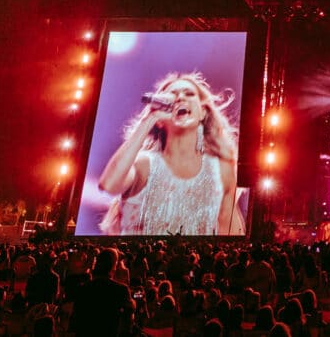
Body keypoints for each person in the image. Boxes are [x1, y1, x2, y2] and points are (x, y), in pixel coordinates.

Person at [98, 72, 241, 236]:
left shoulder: (221, 170)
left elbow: (231, 232)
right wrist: (150, 118)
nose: (180, 98)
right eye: (172, 95)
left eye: (189, 94)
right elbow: (108, 185)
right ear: (160, 119)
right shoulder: (144, 164)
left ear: (202, 113)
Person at [69, 248, 134, 337]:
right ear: (113, 266)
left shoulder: (83, 288)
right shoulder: (121, 290)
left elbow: (75, 320)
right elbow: (127, 322)